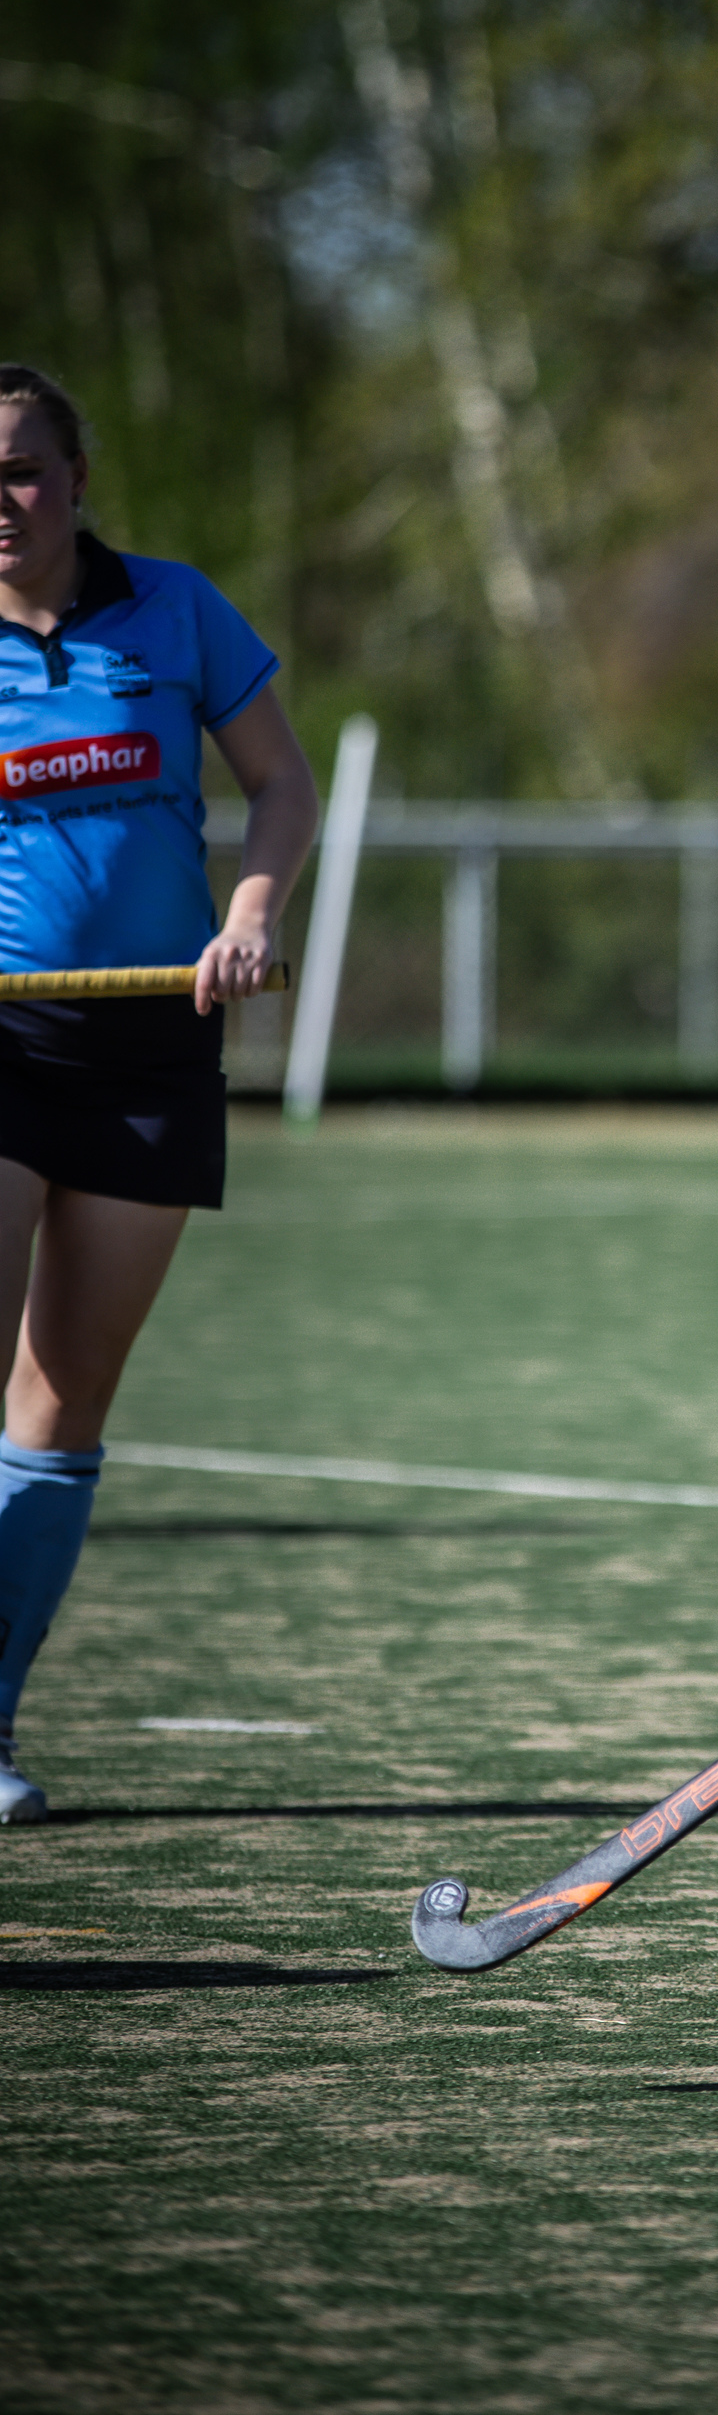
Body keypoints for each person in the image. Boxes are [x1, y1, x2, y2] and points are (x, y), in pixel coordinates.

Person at [0, 363, 317, 1824]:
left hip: (150, 1044)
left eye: (23, 470)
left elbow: (282, 786)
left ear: (75, 477)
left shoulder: (175, 608)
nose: (5, 506)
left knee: (61, 1412)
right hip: (1, 1039)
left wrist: (249, 913)